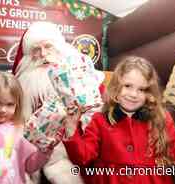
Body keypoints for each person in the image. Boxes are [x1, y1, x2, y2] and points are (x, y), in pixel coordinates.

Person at [62, 56, 175, 184]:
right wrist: (71, 127)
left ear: (149, 93)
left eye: (141, 89)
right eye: (127, 86)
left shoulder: (161, 119)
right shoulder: (100, 120)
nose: (133, 94)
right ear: (116, 87)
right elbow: (82, 157)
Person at [12, 21, 105, 184]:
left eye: (48, 46)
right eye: (36, 49)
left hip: (77, 160)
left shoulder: (84, 78)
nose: (43, 54)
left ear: (60, 48)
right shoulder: (21, 87)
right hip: (34, 163)